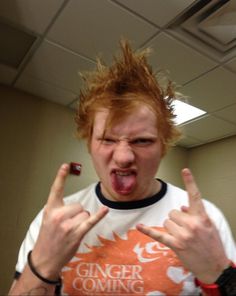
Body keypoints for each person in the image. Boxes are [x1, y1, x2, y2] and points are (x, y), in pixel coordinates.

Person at [9, 41, 236, 296]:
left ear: (164, 146)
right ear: (89, 143)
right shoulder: (55, 222)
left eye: (142, 141)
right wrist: (42, 265)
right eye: (107, 139)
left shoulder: (204, 222)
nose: (124, 157)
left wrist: (219, 273)